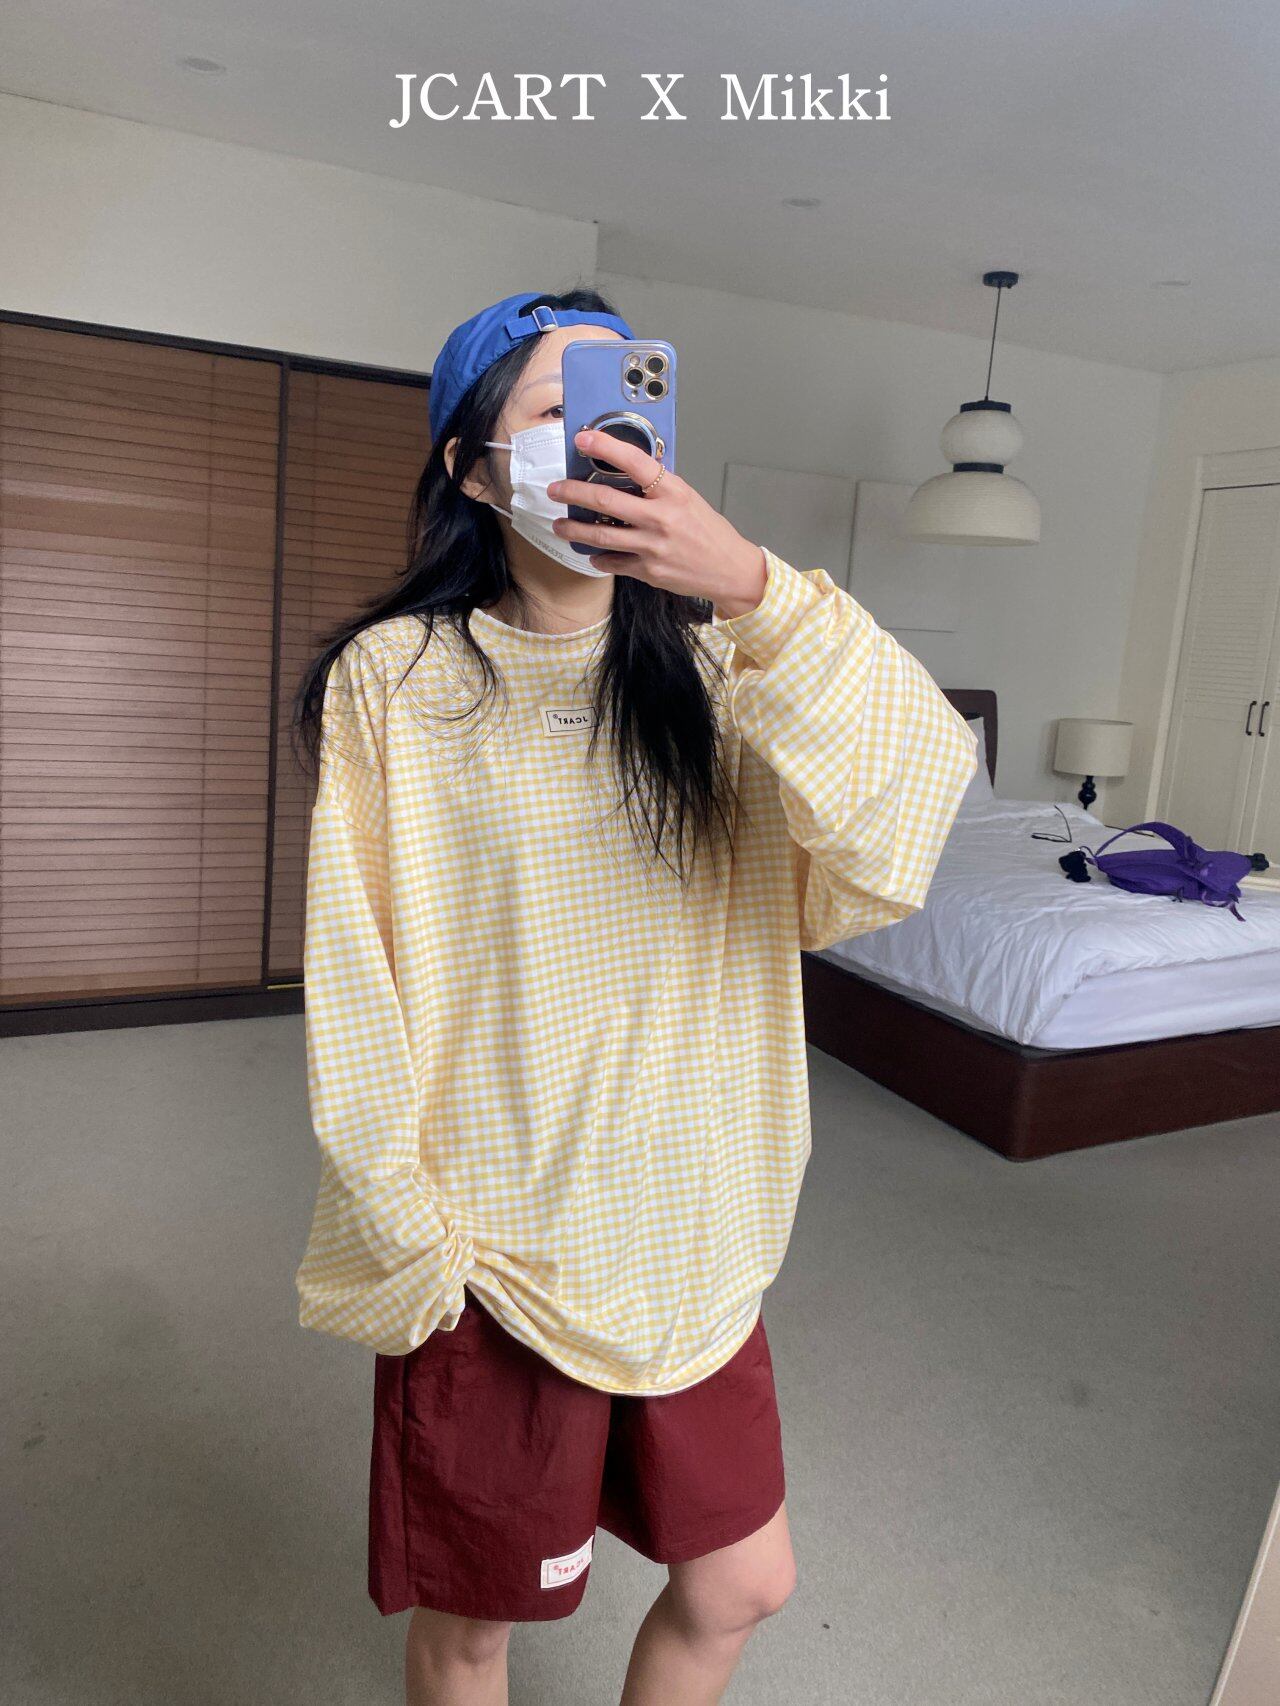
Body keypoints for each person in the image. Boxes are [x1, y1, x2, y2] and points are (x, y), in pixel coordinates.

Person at [291, 287, 979, 1704]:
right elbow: (357, 972)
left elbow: (905, 819)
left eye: (623, 405)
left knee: (742, 1582)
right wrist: (406, 1224)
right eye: (556, 411)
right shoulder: (398, 680)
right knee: (477, 1626)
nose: (599, 438)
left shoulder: (737, 664)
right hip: (498, 1244)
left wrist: (756, 585)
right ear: (474, 468)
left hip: (694, 1234)